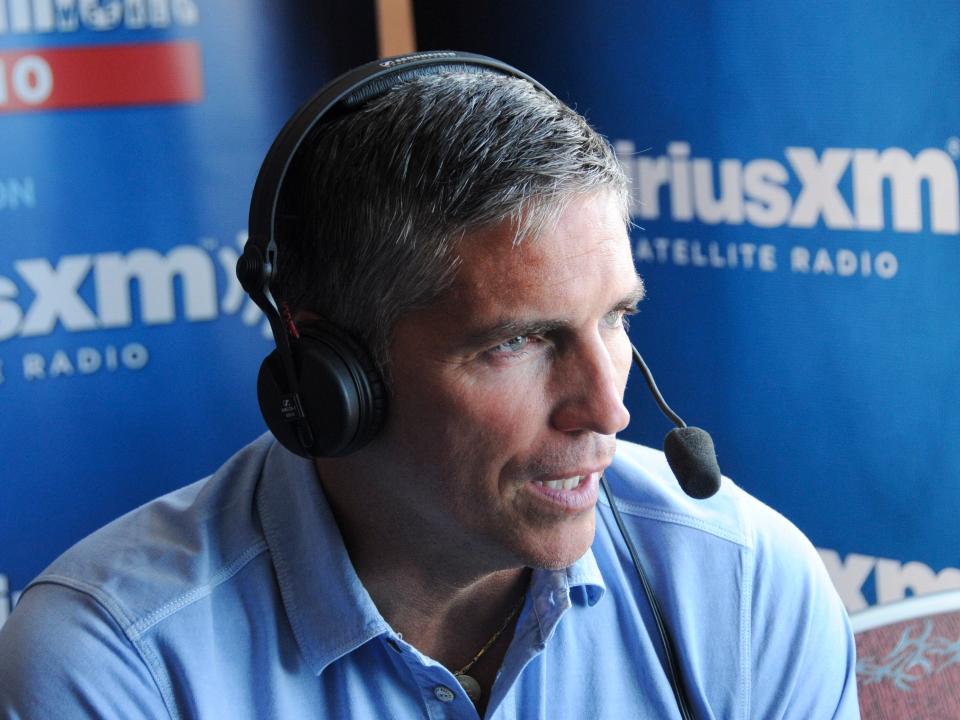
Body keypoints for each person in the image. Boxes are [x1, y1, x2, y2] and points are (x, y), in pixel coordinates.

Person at [0, 53, 860, 719]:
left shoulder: (743, 582)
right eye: (520, 341)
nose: (609, 408)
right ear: (335, 379)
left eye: (614, 318)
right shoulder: (116, 662)